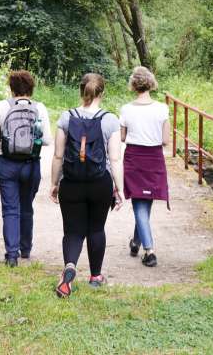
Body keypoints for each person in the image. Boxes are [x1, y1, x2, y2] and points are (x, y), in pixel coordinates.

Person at [50, 73, 124, 297]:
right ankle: (95, 277)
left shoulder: (66, 117)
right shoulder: (110, 120)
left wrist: (54, 184)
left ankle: (70, 266)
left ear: (81, 91)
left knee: (72, 231)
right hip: (99, 182)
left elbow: (58, 156)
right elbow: (115, 159)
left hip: (71, 182)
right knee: (96, 228)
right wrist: (119, 188)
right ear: (102, 92)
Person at [0, 70, 52, 267]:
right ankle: (26, 249)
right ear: (31, 88)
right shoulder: (39, 108)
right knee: (26, 207)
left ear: (12, 88)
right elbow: (47, 139)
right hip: (31, 165)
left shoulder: (1, 106)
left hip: (6, 164)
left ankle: (11, 255)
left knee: (10, 209)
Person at [119, 66, 170, 268]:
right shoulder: (161, 109)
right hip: (154, 158)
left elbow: (122, 137)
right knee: (143, 201)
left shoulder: (126, 109)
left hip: (134, 158)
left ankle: (145, 248)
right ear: (151, 84)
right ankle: (143, 246)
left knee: (141, 202)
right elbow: (165, 140)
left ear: (133, 85)